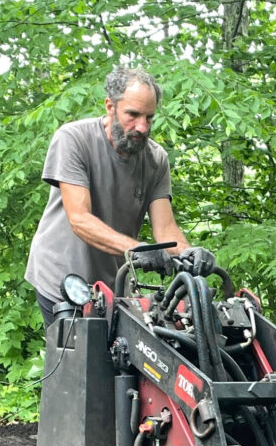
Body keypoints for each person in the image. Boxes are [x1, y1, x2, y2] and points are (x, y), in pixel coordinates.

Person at [25, 65, 215, 325]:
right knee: (81, 360)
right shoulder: (73, 139)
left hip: (111, 284)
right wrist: (138, 250)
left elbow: (166, 228)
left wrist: (189, 254)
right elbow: (79, 219)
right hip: (62, 279)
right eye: (133, 115)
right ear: (110, 106)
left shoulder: (155, 159)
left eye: (149, 118)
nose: (142, 126)